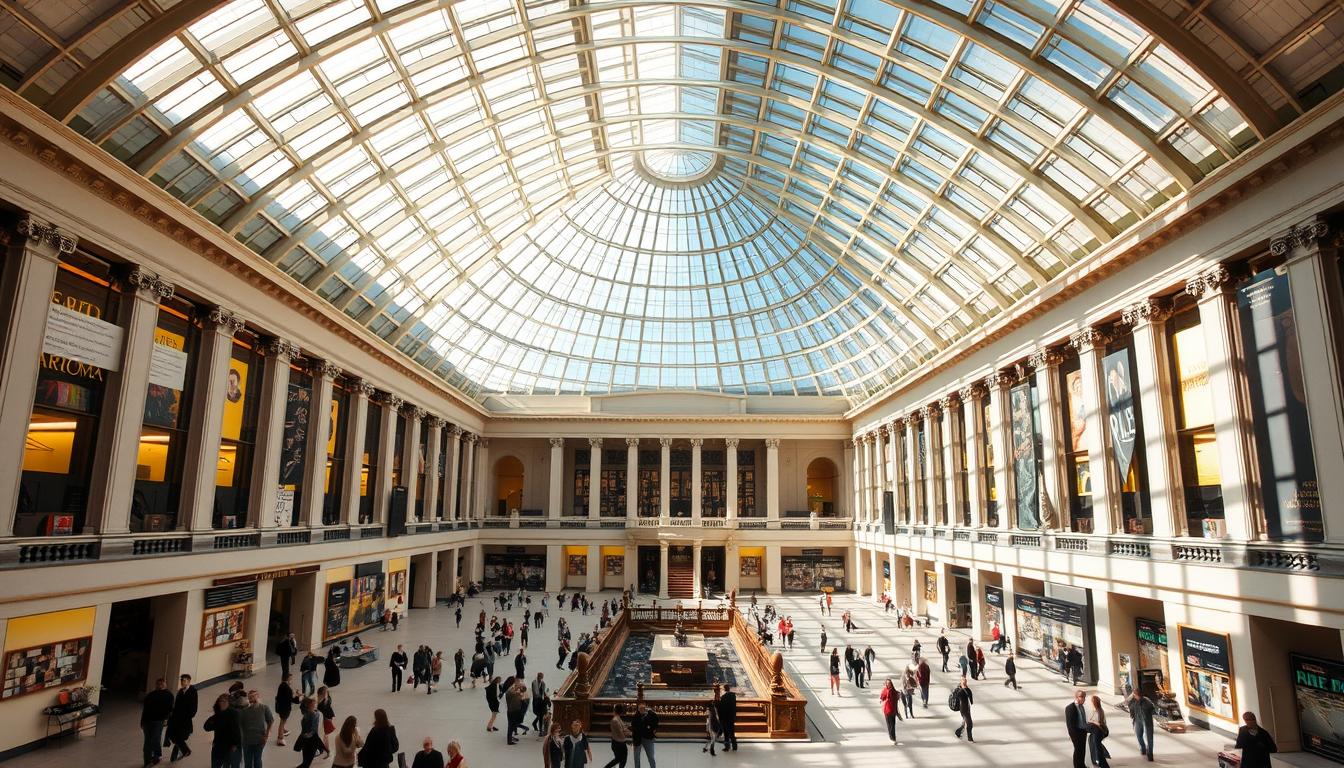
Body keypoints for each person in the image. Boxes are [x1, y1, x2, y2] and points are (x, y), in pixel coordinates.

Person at [203, 692, 242, 768]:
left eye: (225, 701)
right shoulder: (217, 715)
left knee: (229, 765)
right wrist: (214, 718)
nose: (222, 703)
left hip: (230, 746)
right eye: (221, 701)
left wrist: (235, 745)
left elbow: (236, 730)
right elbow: (206, 727)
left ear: (228, 702)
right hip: (218, 745)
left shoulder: (233, 713)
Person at [141, 677, 174, 767]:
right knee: (147, 742)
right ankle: (147, 761)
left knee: (154, 740)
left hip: (159, 721)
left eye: (162, 683)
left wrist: (166, 719)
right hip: (147, 721)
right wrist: (142, 721)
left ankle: (157, 756)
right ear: (156, 685)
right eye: (158, 683)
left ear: (165, 684)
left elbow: (170, 709)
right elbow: (145, 709)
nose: (160, 685)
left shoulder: (169, 695)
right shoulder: (150, 695)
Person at [238, 690, 273, 768]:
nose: (251, 698)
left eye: (253, 696)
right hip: (247, 740)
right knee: (248, 761)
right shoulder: (244, 711)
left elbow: (270, 720)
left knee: (257, 760)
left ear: (258, 697)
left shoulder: (264, 708)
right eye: (250, 697)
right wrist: (241, 736)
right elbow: (240, 724)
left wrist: (266, 735)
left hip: (259, 739)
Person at [167, 674, 198, 762]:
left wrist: (188, 716)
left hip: (185, 720)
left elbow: (194, 707)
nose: (182, 682)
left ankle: (183, 752)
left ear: (188, 681)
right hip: (176, 719)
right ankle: (181, 753)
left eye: (184, 680)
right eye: (181, 680)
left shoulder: (193, 691)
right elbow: (176, 705)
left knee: (179, 737)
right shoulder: (180, 691)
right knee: (174, 736)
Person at [294, 698, 322, 768]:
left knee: (305, 762)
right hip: (310, 742)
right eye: (314, 705)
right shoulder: (314, 715)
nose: (315, 706)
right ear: (309, 706)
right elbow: (313, 731)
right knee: (306, 763)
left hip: (306, 741)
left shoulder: (306, 714)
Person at [1065, 690, 1090, 768]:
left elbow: (1083, 719)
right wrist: (1072, 734)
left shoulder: (1082, 707)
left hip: (1083, 731)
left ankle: (1082, 765)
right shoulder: (1070, 708)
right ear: (1076, 697)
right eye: (1081, 697)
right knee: (1077, 750)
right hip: (1076, 733)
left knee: (1082, 750)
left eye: (1084, 697)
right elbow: (1070, 724)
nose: (1083, 699)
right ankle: (1077, 766)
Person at [273, 673, 299, 746]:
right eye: (291, 679)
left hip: (282, 706)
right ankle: (280, 738)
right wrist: (298, 697)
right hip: (284, 708)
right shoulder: (286, 687)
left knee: (283, 721)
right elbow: (291, 699)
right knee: (282, 722)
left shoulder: (282, 685)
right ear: (287, 679)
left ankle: (283, 730)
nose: (291, 680)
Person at [631, 702, 659, 768]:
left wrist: (654, 729)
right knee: (636, 757)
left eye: (643, 708)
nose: (642, 710)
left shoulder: (651, 715)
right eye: (640, 708)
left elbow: (656, 721)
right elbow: (633, 727)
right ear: (638, 709)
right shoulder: (635, 716)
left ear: (645, 708)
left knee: (651, 757)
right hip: (638, 739)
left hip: (648, 739)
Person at [1087, 694, 1111, 768]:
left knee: (1097, 746)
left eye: (1091, 701)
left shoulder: (1099, 711)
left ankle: (1102, 763)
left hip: (1099, 731)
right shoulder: (1095, 710)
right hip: (1096, 731)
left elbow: (1099, 723)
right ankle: (1095, 760)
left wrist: (1092, 721)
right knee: (1092, 742)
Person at [879, 678, 903, 745]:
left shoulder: (893, 691)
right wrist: (881, 700)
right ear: (886, 684)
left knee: (893, 724)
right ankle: (892, 737)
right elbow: (882, 697)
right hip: (887, 710)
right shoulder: (885, 690)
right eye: (887, 683)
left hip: (893, 710)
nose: (888, 684)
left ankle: (893, 737)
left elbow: (897, 695)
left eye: (889, 683)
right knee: (889, 724)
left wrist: (899, 694)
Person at [951, 677, 974, 742]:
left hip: (962, 709)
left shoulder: (959, 691)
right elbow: (971, 701)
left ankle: (958, 732)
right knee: (969, 724)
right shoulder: (967, 690)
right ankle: (970, 738)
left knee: (965, 722)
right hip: (966, 709)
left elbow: (955, 699)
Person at [717, 683, 738, 752]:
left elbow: (721, 708)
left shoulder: (723, 697)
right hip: (731, 717)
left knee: (726, 733)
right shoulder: (733, 695)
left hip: (725, 717)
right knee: (732, 732)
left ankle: (727, 747)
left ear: (724, 689)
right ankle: (734, 746)